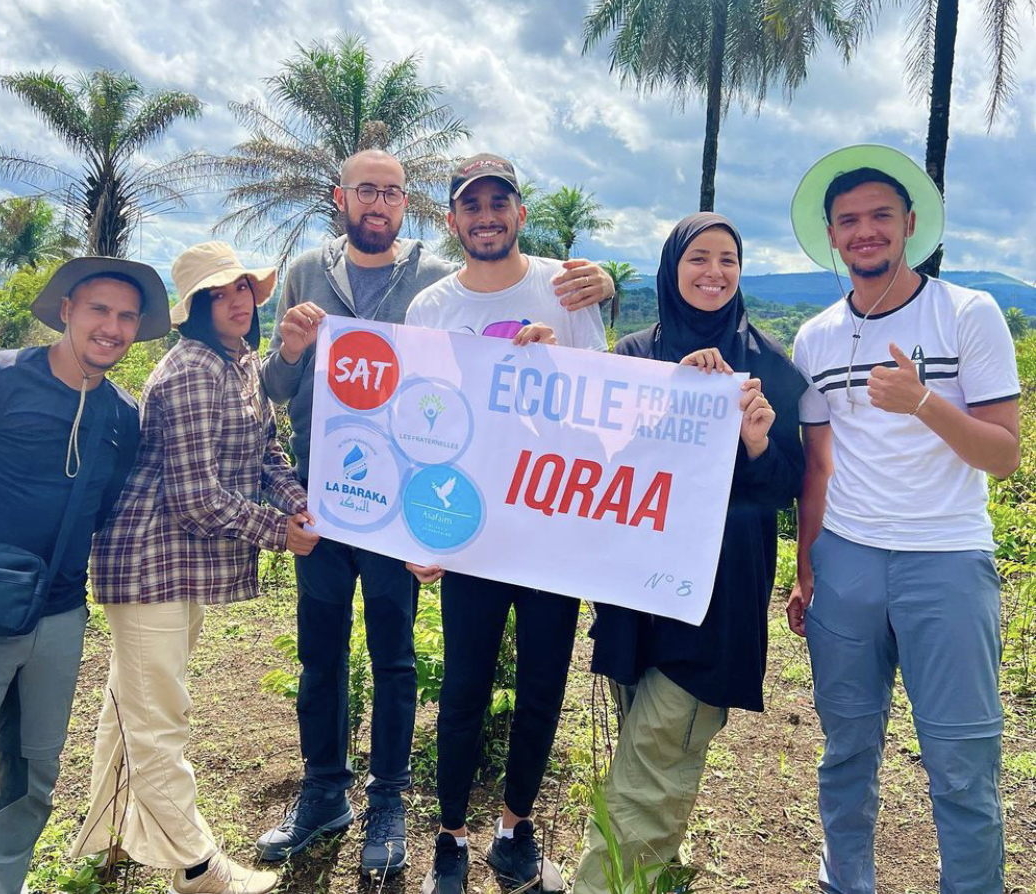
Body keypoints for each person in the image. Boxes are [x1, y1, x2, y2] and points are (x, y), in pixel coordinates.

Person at [255, 148, 614, 876]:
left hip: (456, 510)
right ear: (341, 197)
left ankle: (398, 804)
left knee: (399, 657)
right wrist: (291, 350)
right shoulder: (313, 276)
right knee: (322, 656)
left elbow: (594, 397)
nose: (378, 203)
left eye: (391, 192)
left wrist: (599, 289)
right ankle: (327, 790)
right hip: (329, 495)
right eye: (366, 190)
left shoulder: (534, 287)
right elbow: (278, 381)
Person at [787, 145, 1021, 894]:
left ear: (909, 224)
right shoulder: (815, 337)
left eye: (880, 216)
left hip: (946, 562)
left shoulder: (966, 313)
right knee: (846, 746)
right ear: (830, 235)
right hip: (848, 563)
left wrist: (922, 402)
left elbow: (1003, 455)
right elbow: (817, 467)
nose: (865, 231)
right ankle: (843, 878)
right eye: (848, 220)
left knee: (960, 758)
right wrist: (806, 570)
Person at [0, 257, 169, 894]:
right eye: (98, 310)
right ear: (67, 311)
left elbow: (105, 505)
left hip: (57, 618)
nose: (111, 327)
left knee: (33, 781)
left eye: (126, 316)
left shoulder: (119, 417)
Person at [69, 242, 317, 894]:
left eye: (243, 289)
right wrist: (277, 531)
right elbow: (195, 497)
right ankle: (199, 869)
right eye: (218, 293)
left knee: (131, 706)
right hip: (149, 558)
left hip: (180, 562)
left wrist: (306, 510)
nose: (237, 301)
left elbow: (267, 455)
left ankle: (104, 839)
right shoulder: (189, 373)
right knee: (159, 721)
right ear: (194, 309)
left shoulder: (239, 367)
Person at [570, 212, 807, 892]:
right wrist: (668, 395)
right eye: (697, 257)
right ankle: (655, 874)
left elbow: (784, 487)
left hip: (715, 597)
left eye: (727, 259)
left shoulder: (768, 367)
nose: (713, 271)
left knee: (651, 756)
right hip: (635, 587)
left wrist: (756, 438)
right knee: (647, 753)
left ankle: (604, 885)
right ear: (671, 268)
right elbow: (598, 462)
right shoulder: (635, 357)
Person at [399, 153, 607, 894]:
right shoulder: (429, 309)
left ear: (520, 212)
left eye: (499, 202)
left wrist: (557, 376)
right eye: (470, 205)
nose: (486, 216)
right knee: (462, 686)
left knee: (544, 682)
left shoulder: (566, 290)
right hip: (472, 528)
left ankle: (515, 829)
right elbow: (417, 428)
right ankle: (449, 837)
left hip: (551, 525)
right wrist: (418, 534)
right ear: (452, 220)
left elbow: (599, 413)